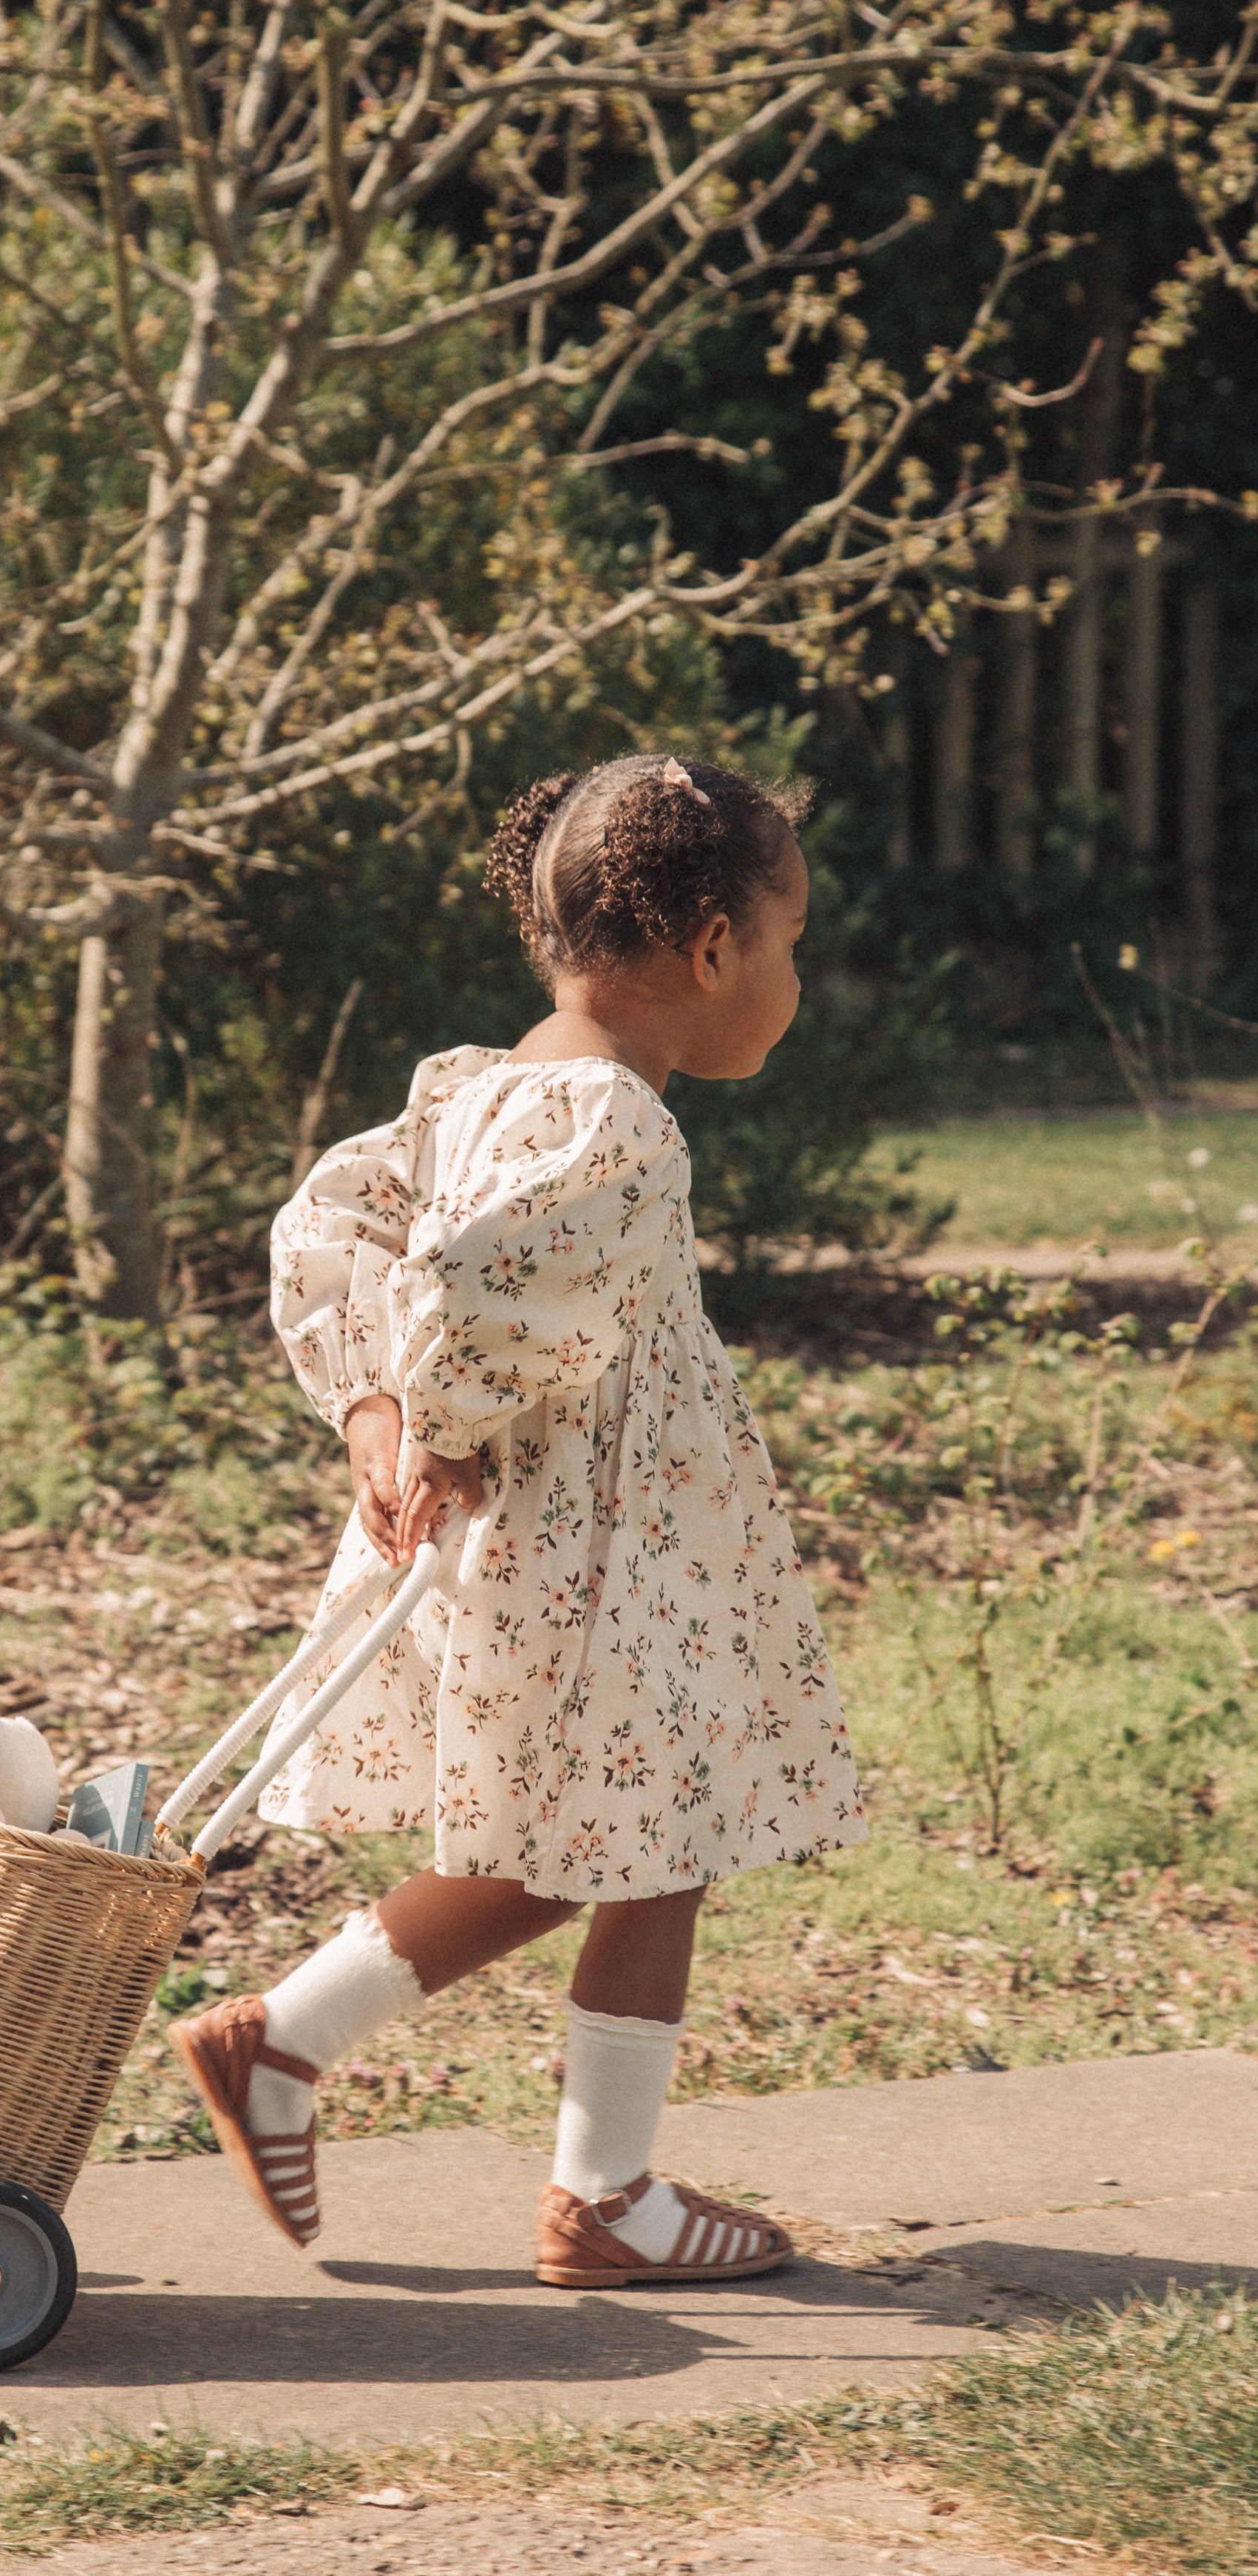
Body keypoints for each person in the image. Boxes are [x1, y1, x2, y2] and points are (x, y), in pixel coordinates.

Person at [171, 751, 866, 2288]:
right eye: (793, 938)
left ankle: (290, 2046)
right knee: (642, 1837)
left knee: (595, 1840)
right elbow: (478, 1289)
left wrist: (380, 1411)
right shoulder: (616, 1122)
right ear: (711, 952)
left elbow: (330, 1226)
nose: (796, 972)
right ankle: (595, 2193)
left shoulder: (474, 1084)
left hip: (544, 1542)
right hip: (585, 1554)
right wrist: (439, 1421)